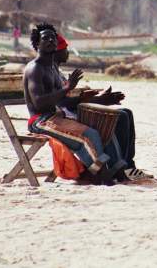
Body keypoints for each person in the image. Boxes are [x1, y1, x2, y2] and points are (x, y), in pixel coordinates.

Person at [23, 23, 147, 185]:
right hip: (41, 121)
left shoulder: (52, 68)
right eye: (45, 38)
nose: (51, 40)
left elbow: (63, 101)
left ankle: (118, 170)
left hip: (56, 117)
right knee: (89, 136)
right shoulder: (35, 68)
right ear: (37, 43)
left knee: (102, 128)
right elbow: (39, 103)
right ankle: (101, 174)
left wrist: (94, 99)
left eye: (53, 37)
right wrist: (69, 87)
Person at [52, 32, 147, 181]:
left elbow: (70, 99)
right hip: (70, 117)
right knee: (119, 116)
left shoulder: (57, 72)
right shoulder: (51, 73)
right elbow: (61, 102)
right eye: (65, 49)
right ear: (56, 52)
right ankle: (121, 166)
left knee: (126, 112)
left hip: (75, 110)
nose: (67, 52)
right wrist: (98, 100)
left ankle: (129, 165)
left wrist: (100, 99)